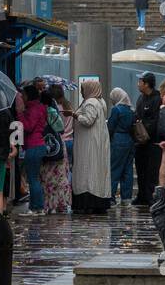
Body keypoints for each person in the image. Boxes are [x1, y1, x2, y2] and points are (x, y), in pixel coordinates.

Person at [71, 80, 111, 213]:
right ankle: (99, 202)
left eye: (83, 89)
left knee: (87, 171)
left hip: (89, 144)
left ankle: (87, 202)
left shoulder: (90, 103)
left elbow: (88, 120)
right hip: (97, 142)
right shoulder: (101, 102)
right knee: (97, 171)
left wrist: (74, 115)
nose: (82, 92)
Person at [40, 82, 73, 214]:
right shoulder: (68, 105)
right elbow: (61, 129)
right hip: (62, 144)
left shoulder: (47, 110)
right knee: (62, 176)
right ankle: (62, 203)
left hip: (48, 146)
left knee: (47, 177)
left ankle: (49, 204)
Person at [132, 72, 163, 206]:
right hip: (140, 142)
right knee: (140, 169)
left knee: (151, 171)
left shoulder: (157, 99)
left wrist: (145, 132)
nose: (138, 84)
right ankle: (142, 195)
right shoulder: (140, 98)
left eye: (140, 81)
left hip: (152, 142)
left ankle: (150, 196)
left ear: (147, 84)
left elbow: (155, 120)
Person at [17, 83, 48, 214]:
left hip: (34, 146)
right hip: (38, 145)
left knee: (33, 178)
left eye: (23, 95)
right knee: (34, 177)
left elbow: (28, 126)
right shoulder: (39, 107)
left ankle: (37, 207)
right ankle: (37, 206)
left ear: (28, 95)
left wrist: (20, 114)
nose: (22, 97)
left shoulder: (33, 109)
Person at [106, 88, 136, 203]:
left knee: (114, 169)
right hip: (129, 141)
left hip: (118, 140)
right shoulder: (130, 110)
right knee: (127, 170)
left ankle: (111, 197)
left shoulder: (116, 110)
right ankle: (126, 198)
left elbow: (111, 127)